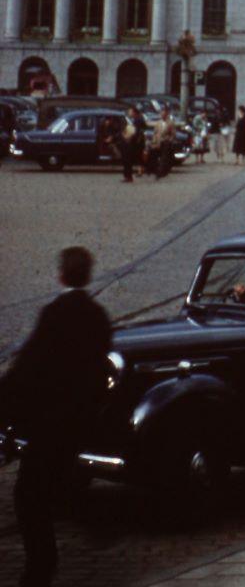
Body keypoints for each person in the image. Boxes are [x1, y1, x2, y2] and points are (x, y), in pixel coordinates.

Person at [0, 247, 112, 587]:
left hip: (51, 422)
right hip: (84, 419)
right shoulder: (98, 314)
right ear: (88, 275)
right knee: (54, 485)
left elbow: (30, 366)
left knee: (27, 496)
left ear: (61, 275)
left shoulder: (53, 313)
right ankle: (88, 523)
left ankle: (40, 569)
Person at [148, 106, 176, 179]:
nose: (162, 115)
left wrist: (169, 140)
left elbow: (173, 134)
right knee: (154, 156)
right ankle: (153, 170)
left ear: (167, 114)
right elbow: (155, 132)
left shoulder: (170, 123)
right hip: (157, 142)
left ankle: (160, 173)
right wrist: (153, 140)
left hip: (165, 142)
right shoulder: (158, 123)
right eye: (161, 113)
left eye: (164, 113)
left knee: (164, 158)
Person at [121, 105, 145, 183]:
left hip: (133, 143)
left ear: (134, 112)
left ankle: (128, 176)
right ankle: (128, 175)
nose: (129, 113)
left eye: (130, 111)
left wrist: (128, 136)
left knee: (128, 160)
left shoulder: (138, 120)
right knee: (129, 160)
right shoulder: (135, 119)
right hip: (132, 142)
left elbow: (136, 132)